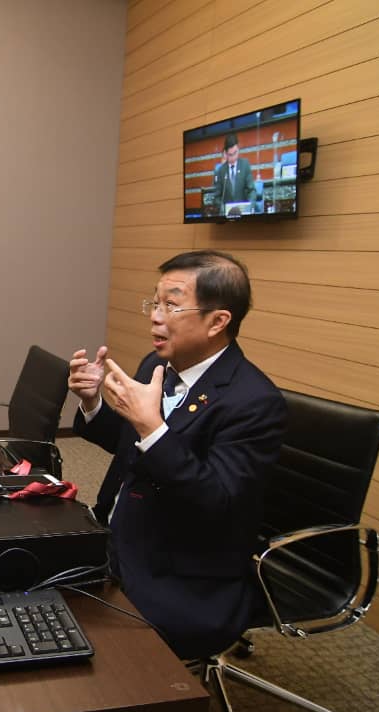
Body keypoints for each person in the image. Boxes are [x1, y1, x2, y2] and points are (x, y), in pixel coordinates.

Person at [68, 250, 286, 659]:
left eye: (171, 304)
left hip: (180, 569)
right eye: (154, 302)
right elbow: (131, 446)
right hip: (116, 536)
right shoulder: (158, 363)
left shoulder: (254, 402)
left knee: (92, 656)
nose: (155, 316)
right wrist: (94, 402)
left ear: (218, 321)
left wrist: (152, 427)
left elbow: (215, 499)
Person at [211, 133, 256, 214]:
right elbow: (217, 198)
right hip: (228, 216)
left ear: (238, 149)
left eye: (235, 153)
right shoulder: (221, 171)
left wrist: (250, 207)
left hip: (244, 214)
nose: (233, 157)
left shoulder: (245, 165)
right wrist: (223, 210)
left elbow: (251, 191)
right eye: (230, 155)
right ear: (225, 153)